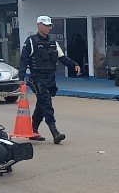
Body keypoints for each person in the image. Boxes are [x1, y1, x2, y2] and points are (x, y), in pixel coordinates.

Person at [19, 16, 81, 144]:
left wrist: (74, 64)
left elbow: (62, 58)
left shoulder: (53, 43)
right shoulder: (31, 41)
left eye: (49, 26)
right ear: (38, 25)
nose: (48, 28)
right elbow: (23, 59)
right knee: (46, 104)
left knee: (42, 105)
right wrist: (21, 77)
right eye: (45, 25)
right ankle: (55, 132)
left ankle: (33, 130)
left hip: (50, 78)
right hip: (37, 78)